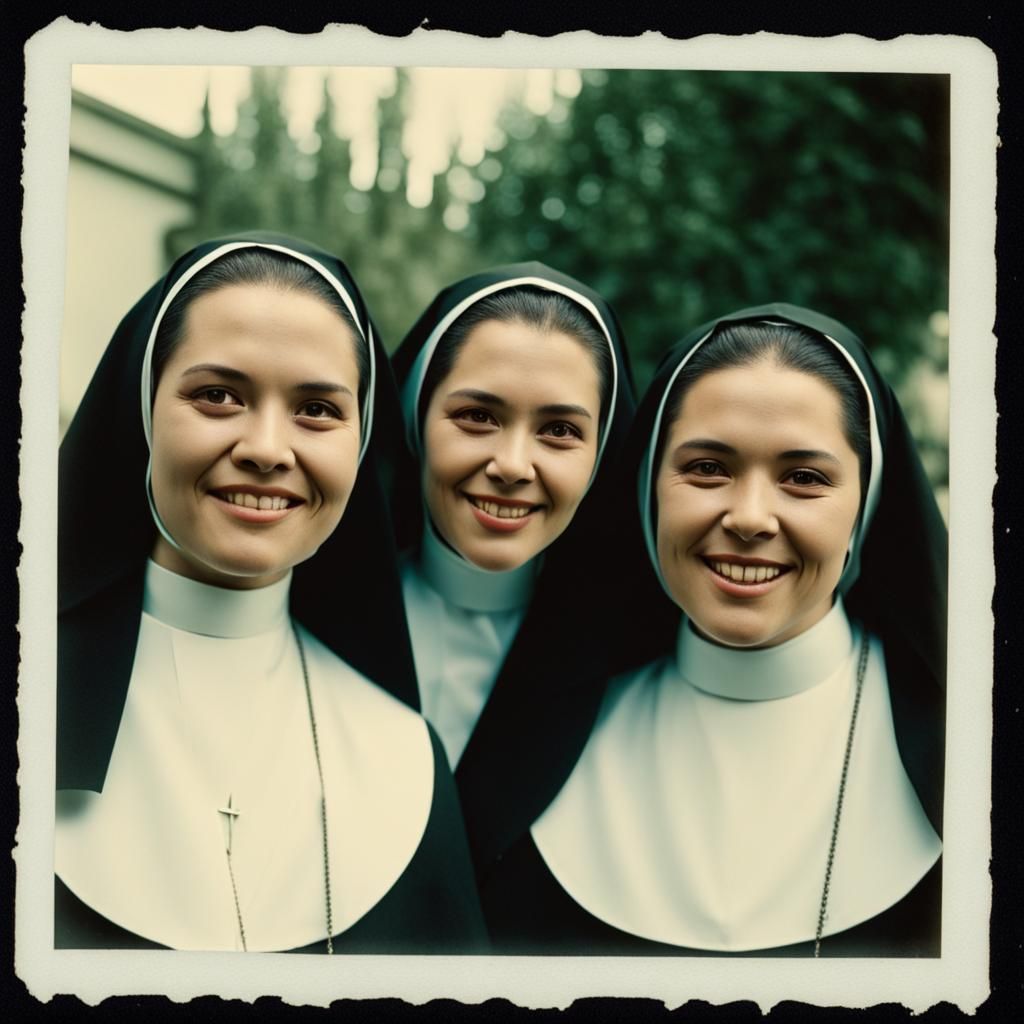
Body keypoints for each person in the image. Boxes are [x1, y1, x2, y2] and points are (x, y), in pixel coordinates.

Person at [55, 233, 487, 953]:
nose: (265, 447)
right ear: (143, 411)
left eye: (317, 409)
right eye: (218, 395)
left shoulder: (406, 754)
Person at [481, 304, 946, 956]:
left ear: (866, 505)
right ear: (649, 491)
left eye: (804, 478)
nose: (750, 517)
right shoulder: (532, 749)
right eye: (707, 468)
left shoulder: (966, 761)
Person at [389, 264, 636, 875]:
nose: (513, 464)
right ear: (415, 418)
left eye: (559, 431)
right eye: (477, 416)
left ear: (602, 454)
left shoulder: (634, 665)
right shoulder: (310, 625)